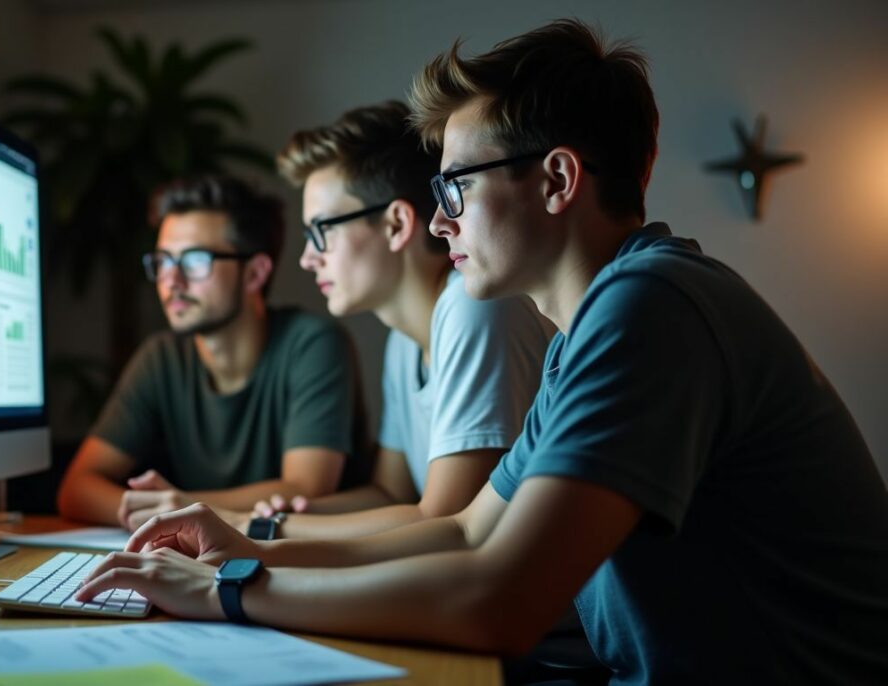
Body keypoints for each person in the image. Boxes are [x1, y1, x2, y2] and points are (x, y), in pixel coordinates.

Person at [75, 20, 888, 683]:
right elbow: (466, 531)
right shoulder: (594, 329)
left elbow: (501, 599)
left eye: (456, 187)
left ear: (557, 180)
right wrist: (251, 548)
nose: (438, 222)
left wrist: (231, 589)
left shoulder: (651, 309)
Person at [221, 101, 550, 541]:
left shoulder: (472, 307)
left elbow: (443, 517)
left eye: (323, 231)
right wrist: (300, 514)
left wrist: (265, 529)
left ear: (397, 224)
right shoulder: (405, 341)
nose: (306, 258)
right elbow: (390, 492)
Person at [57, 175, 370, 531]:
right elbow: (77, 489)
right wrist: (163, 515)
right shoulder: (161, 358)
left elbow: (306, 488)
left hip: (306, 561)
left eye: (194, 261)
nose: (171, 281)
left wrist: (182, 507)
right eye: (162, 261)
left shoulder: (312, 343)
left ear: (255, 273)